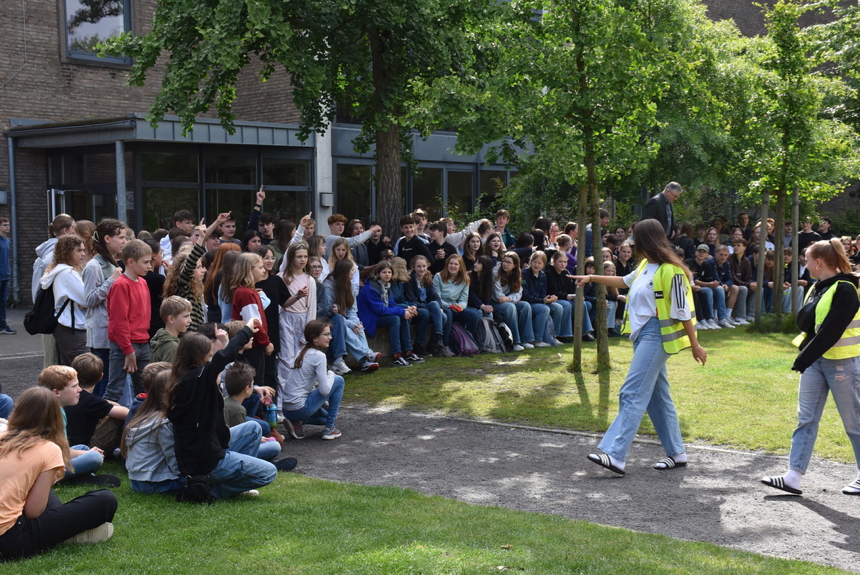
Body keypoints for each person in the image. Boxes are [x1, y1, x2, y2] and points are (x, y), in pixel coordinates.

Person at [575, 218, 706, 475]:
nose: (632, 243)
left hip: (657, 336)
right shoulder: (647, 265)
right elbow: (624, 281)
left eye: (635, 238)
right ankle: (677, 453)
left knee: (631, 392)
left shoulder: (672, 271)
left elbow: (682, 311)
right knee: (658, 398)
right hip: (643, 336)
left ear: (646, 240)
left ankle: (616, 454)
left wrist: (695, 345)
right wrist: (591, 277)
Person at [762, 239, 860, 496]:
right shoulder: (819, 286)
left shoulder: (846, 289)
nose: (804, 264)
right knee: (806, 419)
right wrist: (807, 358)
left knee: (854, 423)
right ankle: (793, 477)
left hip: (842, 364)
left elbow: (831, 331)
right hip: (817, 362)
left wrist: (803, 359)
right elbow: (813, 325)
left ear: (818, 262)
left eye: (806, 260)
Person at [0, 387, 118, 559]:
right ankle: (65, 535)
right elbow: (33, 512)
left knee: (42, 491)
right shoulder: (49, 449)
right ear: (56, 417)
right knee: (106, 499)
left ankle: (60, 531)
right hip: (9, 539)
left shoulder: (3, 437)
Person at [169, 320, 281, 498]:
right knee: (269, 472)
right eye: (209, 356)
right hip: (205, 460)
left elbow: (224, 359)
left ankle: (229, 479)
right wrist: (247, 330)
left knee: (253, 428)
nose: (211, 360)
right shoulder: (196, 380)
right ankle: (209, 490)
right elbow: (223, 358)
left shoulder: (187, 377)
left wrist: (225, 342)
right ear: (199, 357)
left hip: (206, 447)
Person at [38, 365, 120, 487]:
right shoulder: (54, 413)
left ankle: (79, 477)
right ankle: (75, 477)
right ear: (56, 392)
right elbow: (60, 452)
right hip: (46, 468)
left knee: (83, 447)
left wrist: (85, 452)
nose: (80, 389)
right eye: (74, 386)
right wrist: (87, 454)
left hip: (51, 459)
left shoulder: (54, 408)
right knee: (95, 457)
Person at [104, 239, 153, 404]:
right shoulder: (121, 285)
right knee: (115, 390)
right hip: (124, 344)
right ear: (131, 262)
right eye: (145, 262)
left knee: (146, 390)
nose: (149, 266)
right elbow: (118, 322)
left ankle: (141, 420)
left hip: (143, 342)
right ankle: (105, 421)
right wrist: (127, 349)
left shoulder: (143, 282)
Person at [82, 219, 126, 395]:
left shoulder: (114, 262)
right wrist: (111, 280)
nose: (124, 241)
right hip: (102, 333)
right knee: (103, 380)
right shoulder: (94, 266)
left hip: (112, 330)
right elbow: (89, 299)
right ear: (107, 239)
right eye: (120, 237)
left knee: (109, 379)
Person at [121, 369, 183, 494]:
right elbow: (172, 456)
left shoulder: (143, 416)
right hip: (154, 481)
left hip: (136, 480)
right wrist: (185, 475)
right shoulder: (162, 423)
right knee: (202, 481)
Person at [282, 319, 345, 440]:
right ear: (315, 339)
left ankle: (297, 422)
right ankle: (330, 429)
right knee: (339, 380)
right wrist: (331, 374)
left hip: (286, 410)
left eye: (330, 334)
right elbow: (324, 391)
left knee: (328, 417)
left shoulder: (302, 351)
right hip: (300, 408)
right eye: (326, 334)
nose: (330, 337)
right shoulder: (319, 356)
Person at [322, 259, 382, 372]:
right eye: (352, 270)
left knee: (358, 325)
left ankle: (366, 361)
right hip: (330, 320)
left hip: (344, 319)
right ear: (345, 272)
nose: (354, 273)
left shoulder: (350, 285)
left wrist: (354, 323)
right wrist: (350, 324)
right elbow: (330, 312)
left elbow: (352, 310)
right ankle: (367, 354)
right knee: (345, 326)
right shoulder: (328, 286)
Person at [358, 261, 421, 367]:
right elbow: (380, 309)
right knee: (395, 319)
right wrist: (402, 312)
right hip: (370, 318)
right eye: (384, 272)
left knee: (403, 316)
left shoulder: (386, 286)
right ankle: (396, 355)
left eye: (389, 272)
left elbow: (391, 305)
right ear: (378, 273)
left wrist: (406, 309)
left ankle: (408, 351)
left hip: (378, 314)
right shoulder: (370, 288)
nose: (387, 275)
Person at [40, 235, 89, 366]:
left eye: (83, 250)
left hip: (64, 325)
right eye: (79, 250)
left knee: (69, 367)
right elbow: (88, 299)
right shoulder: (68, 274)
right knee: (84, 367)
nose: (83, 254)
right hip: (72, 326)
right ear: (67, 252)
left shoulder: (57, 270)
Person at [66, 353, 129, 454]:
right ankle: (124, 449)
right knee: (116, 417)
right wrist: (116, 405)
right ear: (101, 376)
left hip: (67, 442)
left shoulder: (68, 395)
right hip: (87, 446)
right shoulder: (91, 401)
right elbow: (127, 413)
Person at [278, 242, 317, 404]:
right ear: (291, 257)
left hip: (303, 321)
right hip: (286, 320)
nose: (302, 260)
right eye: (299, 256)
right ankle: (280, 403)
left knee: (302, 360)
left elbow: (311, 307)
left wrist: (308, 333)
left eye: (305, 257)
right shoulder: (282, 277)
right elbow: (279, 303)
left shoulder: (309, 280)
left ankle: (301, 399)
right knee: (286, 360)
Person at [228, 252, 275, 387]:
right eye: (260, 267)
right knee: (255, 382)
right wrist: (266, 342)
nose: (264, 270)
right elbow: (254, 323)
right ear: (249, 270)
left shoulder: (249, 291)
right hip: (252, 345)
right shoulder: (246, 293)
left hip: (254, 344)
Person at [434, 254, 481, 345]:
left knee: (473, 315)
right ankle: (445, 344)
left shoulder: (465, 279)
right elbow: (436, 297)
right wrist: (450, 306)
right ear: (447, 264)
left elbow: (464, 299)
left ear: (460, 266)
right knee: (448, 313)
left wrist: (461, 306)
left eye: (456, 264)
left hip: (455, 307)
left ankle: (469, 342)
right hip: (442, 306)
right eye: (451, 263)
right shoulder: (438, 276)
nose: (453, 266)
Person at [150, 296, 193, 363]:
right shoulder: (172, 346)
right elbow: (169, 369)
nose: (190, 320)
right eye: (185, 316)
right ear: (171, 319)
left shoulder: (160, 338)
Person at [0, 217, 13, 335]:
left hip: (5, 275)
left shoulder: (8, 241)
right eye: (5, 225)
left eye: (8, 225)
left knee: (3, 301)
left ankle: (3, 325)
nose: (7, 227)